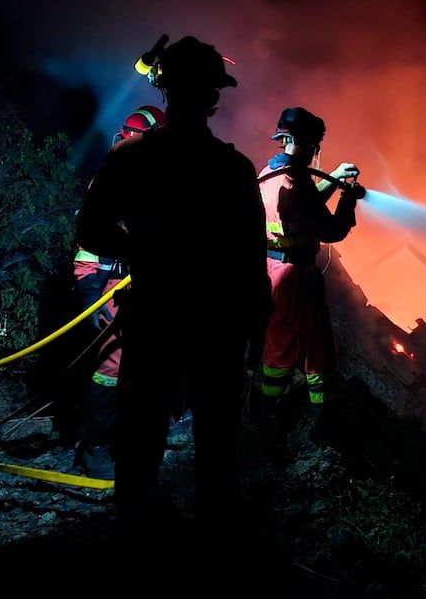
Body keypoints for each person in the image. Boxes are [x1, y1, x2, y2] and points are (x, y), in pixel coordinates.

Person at [76, 35, 271, 521]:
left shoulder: (131, 158)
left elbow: (92, 230)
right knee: (217, 441)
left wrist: (138, 251)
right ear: (213, 98)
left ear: (163, 88)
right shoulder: (234, 168)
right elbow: (253, 262)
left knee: (141, 436)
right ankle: (213, 539)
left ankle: (136, 532)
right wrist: (256, 334)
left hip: (153, 314)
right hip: (217, 322)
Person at [256, 107, 364, 432]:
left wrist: (332, 177)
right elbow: (330, 230)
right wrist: (348, 200)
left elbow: (302, 208)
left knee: (278, 347)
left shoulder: (269, 174)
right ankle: (325, 423)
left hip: (271, 269)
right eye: (315, 144)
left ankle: (265, 418)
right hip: (299, 278)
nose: (316, 151)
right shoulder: (298, 182)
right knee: (319, 350)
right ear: (305, 142)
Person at [72, 105, 166, 480]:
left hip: (154, 286)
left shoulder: (161, 180)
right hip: (116, 286)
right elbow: (88, 248)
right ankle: (94, 444)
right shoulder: (111, 181)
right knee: (111, 367)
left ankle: (135, 438)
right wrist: (91, 295)